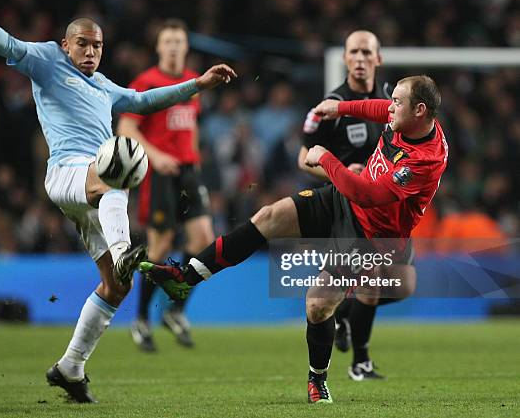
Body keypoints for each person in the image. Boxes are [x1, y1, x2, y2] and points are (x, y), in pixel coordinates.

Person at [0, 0, 236, 403]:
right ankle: (123, 249)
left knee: (116, 287)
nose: (91, 51)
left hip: (92, 190)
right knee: (120, 163)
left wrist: (198, 84)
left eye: (97, 45)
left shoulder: (103, 86)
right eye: (83, 44)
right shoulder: (46, 60)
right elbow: (4, 42)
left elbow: (144, 101)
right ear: (66, 44)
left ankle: (70, 367)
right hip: (67, 173)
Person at [141, 75, 448, 403]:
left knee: (316, 305)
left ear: (420, 110)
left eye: (398, 103)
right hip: (343, 202)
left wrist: (326, 158)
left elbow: (368, 194)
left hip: (370, 237)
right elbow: (378, 108)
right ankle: (185, 277)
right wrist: (340, 107)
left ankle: (317, 380)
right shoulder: (403, 117)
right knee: (267, 217)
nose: (391, 107)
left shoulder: (426, 160)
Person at [298, 30, 415, 381]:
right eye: (354, 52)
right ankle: (359, 361)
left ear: (378, 58)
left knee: (403, 285)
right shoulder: (330, 105)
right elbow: (304, 157)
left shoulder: (394, 100)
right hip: (350, 207)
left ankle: (345, 316)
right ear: (345, 58)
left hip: (387, 208)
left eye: (367, 52)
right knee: (372, 281)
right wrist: (337, 172)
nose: (361, 58)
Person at [117, 19, 214, 351]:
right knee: (160, 249)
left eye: (178, 41)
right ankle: (142, 318)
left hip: (188, 171)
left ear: (186, 47)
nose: (173, 46)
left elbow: (192, 127)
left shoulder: (193, 82)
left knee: (203, 241)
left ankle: (175, 311)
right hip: (159, 173)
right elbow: (126, 128)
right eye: (167, 41)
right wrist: (155, 157)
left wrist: (195, 158)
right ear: (158, 47)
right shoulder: (146, 82)